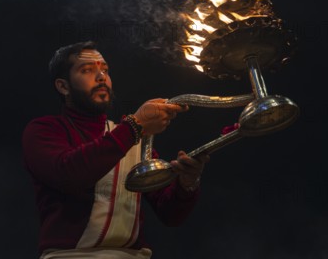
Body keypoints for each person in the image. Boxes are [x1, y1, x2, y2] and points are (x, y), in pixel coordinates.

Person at [22, 41, 210, 259]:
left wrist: (187, 183)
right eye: (87, 70)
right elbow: (70, 174)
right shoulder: (44, 130)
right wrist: (134, 125)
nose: (101, 77)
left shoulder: (129, 136)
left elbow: (170, 215)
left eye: (105, 70)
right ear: (63, 86)